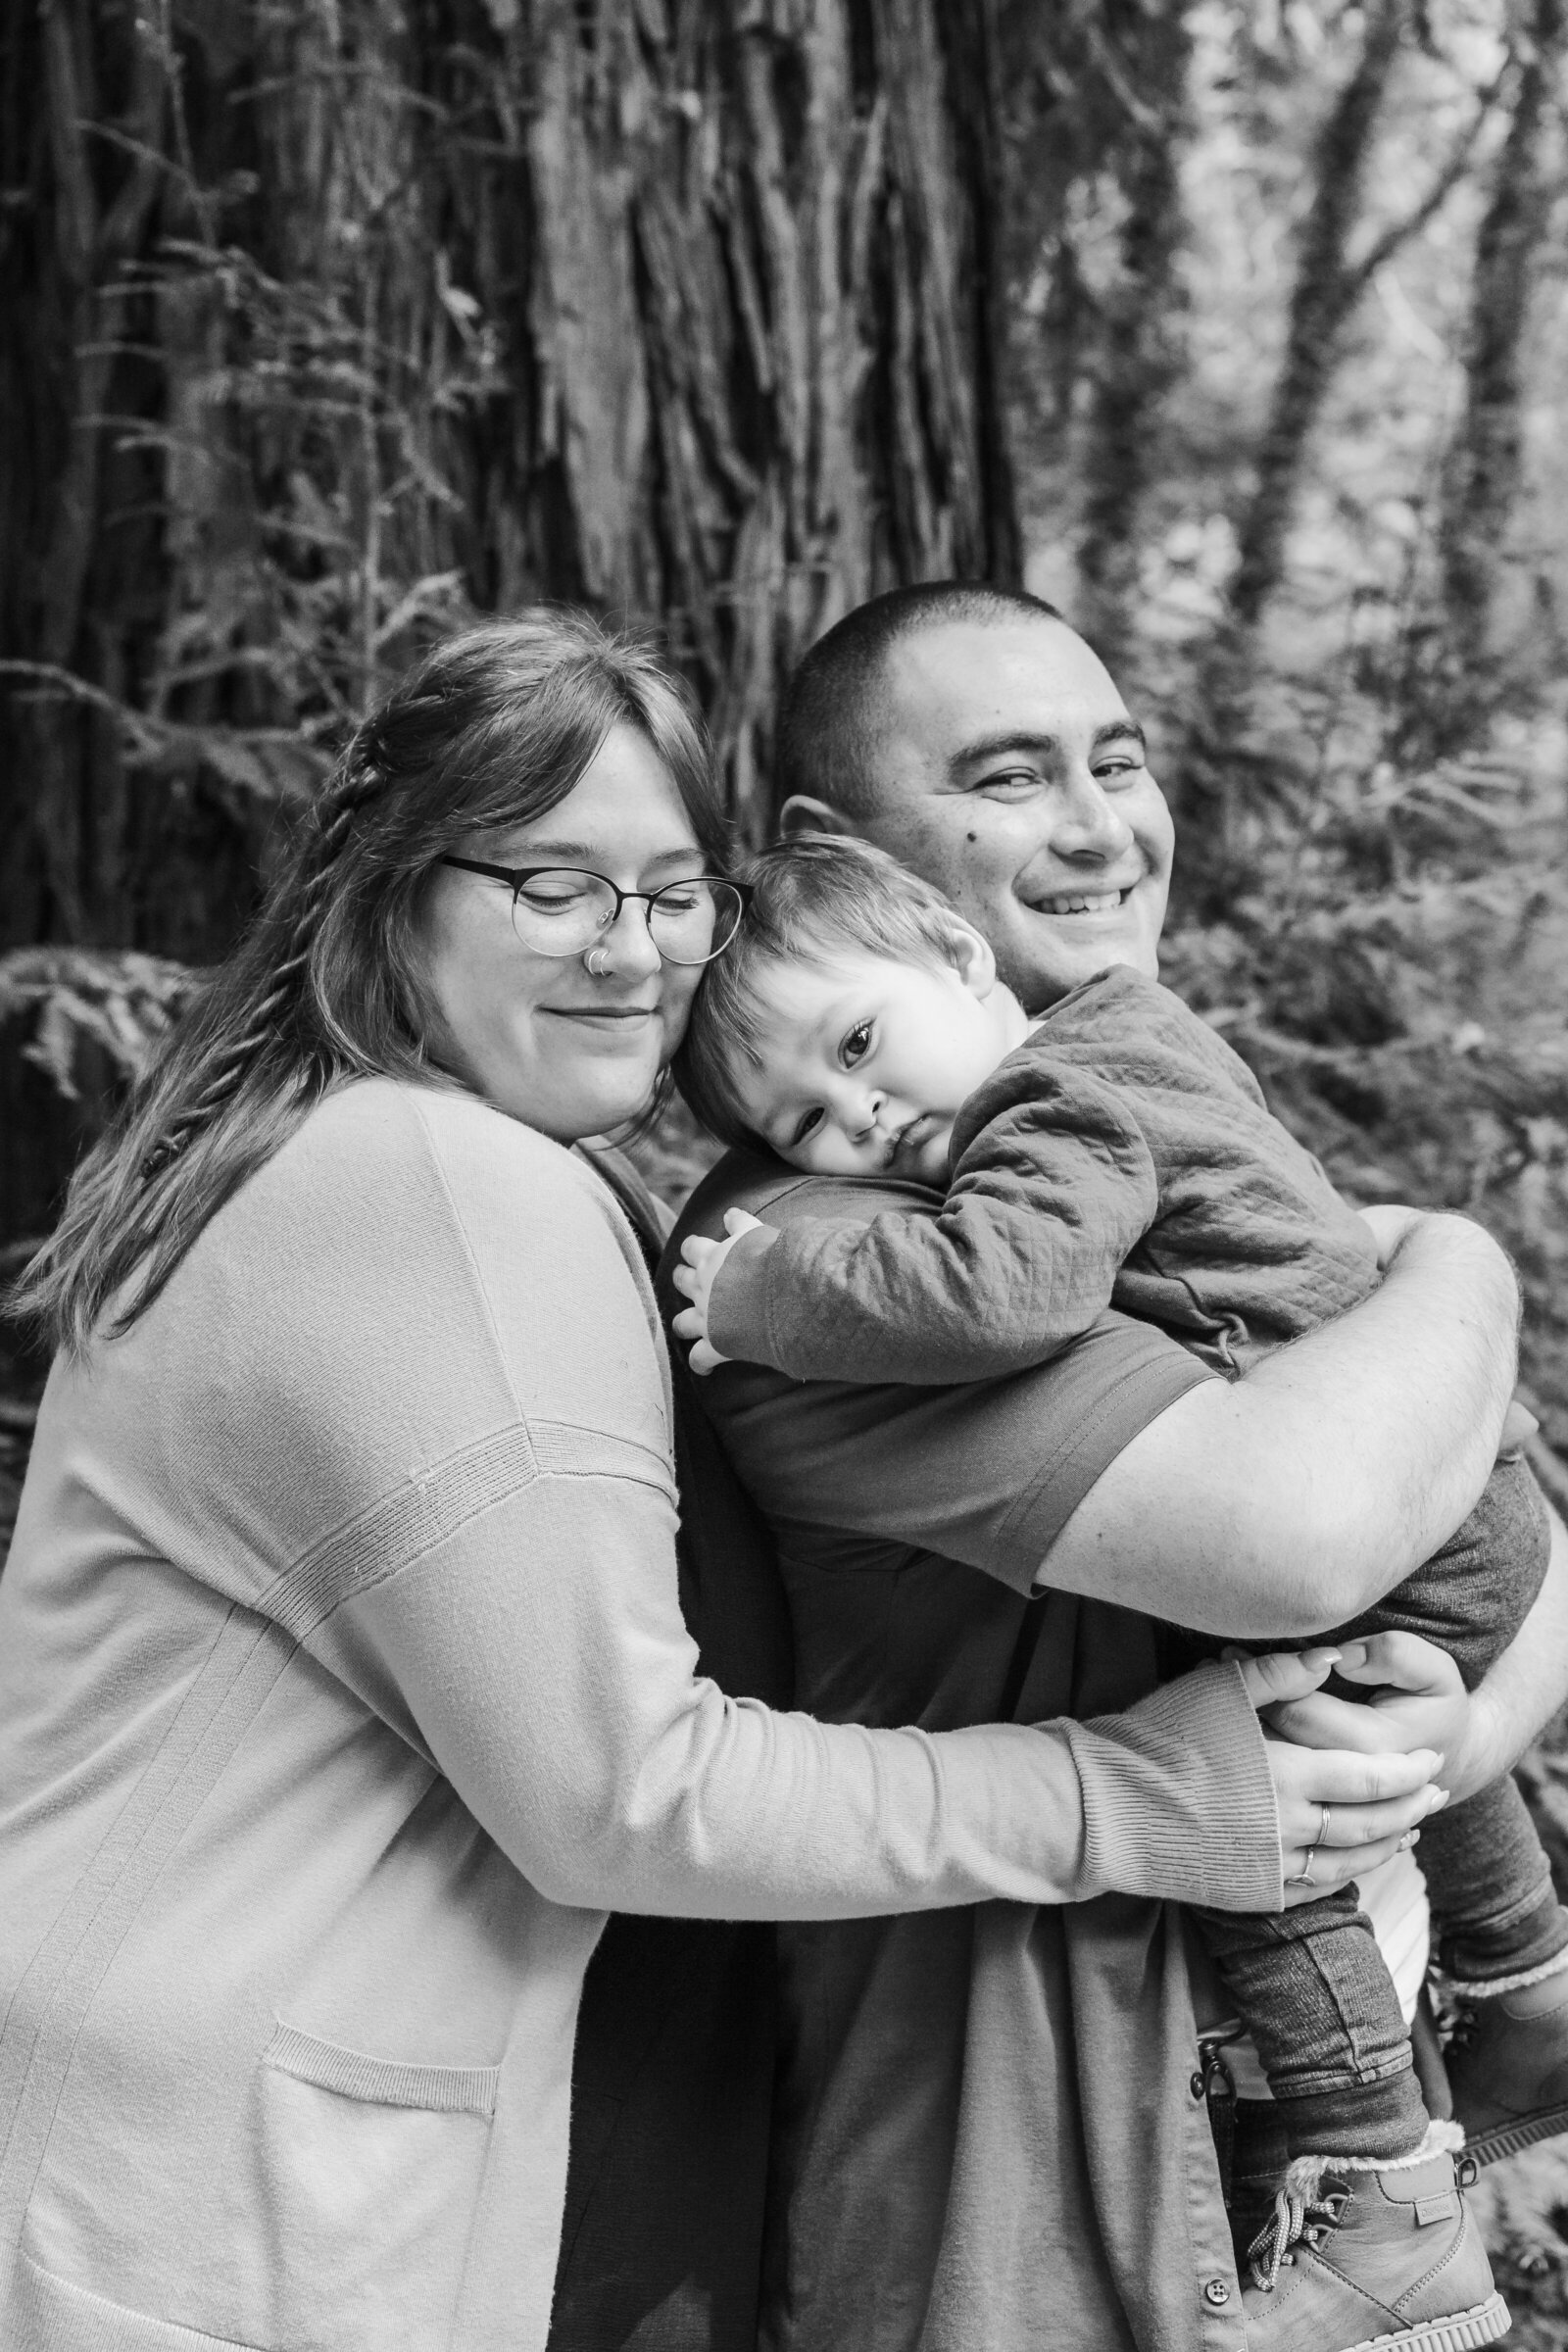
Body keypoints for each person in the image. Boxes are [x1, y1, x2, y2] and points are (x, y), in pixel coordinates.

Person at [0, 612, 1391, 2352]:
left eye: (672, 893)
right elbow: (626, 1790)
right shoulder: (434, 1186)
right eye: (553, 884)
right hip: (219, 2210)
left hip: (213, 2153)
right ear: (389, 889)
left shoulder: (328, 1148)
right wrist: (1128, 1795)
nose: (632, 953)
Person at [657, 581, 1568, 2352]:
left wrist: (1458, 1738)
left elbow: (1508, 1547)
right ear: (859, 861)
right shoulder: (817, 1257)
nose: (1098, 827)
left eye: (1119, 762)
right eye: (1013, 777)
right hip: (1056, 2179)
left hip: (1328, 2097)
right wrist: (1461, 1270)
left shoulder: (1100, 1101)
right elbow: (1308, 1535)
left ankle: (1498, 2026)